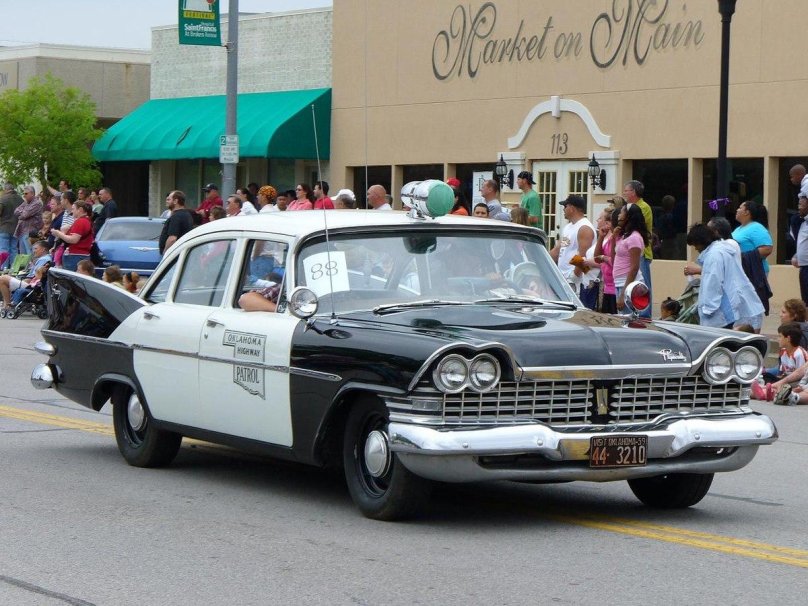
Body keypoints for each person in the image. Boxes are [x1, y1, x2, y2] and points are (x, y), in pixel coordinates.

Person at [685, 223, 764, 330]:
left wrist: (708, 309)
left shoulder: (714, 255)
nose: (695, 248)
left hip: (721, 312)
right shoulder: (723, 250)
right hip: (735, 307)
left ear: (701, 241)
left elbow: (713, 283)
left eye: (695, 244)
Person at [551, 195, 596, 306]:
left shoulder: (584, 228)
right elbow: (558, 249)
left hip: (576, 281)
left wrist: (574, 277)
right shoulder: (568, 227)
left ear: (572, 208)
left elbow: (583, 255)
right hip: (563, 277)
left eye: (565, 206)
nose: (563, 209)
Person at [623, 180, 653, 317]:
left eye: (626, 190)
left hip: (642, 252)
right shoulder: (630, 206)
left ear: (634, 192)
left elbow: (638, 225)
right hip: (631, 251)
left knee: (642, 287)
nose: (624, 193)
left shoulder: (643, 207)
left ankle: (645, 315)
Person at [611, 204, 647, 313]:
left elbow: (634, 268)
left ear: (628, 216)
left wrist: (623, 295)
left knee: (628, 322)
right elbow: (614, 259)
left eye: (622, 212)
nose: (618, 216)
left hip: (629, 286)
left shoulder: (634, 238)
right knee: (622, 320)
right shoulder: (624, 236)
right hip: (619, 283)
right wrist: (613, 238)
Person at [0, 240, 51, 310]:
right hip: (31, 283)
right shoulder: (45, 259)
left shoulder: (44, 259)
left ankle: (7, 305)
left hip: (31, 285)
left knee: (2, 279)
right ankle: (6, 304)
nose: (34, 251)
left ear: (43, 249)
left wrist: (19, 279)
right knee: (5, 279)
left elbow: (34, 277)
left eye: (36, 249)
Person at [51, 200, 94, 272]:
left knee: (70, 281)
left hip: (76, 256)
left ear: (80, 210)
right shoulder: (86, 220)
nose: (71, 211)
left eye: (73, 209)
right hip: (79, 256)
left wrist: (58, 233)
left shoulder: (81, 221)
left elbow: (74, 240)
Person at [593, 205, 617, 313]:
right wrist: (601, 237)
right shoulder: (606, 237)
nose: (607, 226)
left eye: (608, 223)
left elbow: (614, 261)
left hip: (615, 286)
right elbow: (596, 258)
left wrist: (604, 258)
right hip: (607, 286)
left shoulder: (616, 238)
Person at [159, 190, 195, 255]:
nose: (166, 202)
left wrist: (165, 253)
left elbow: (172, 238)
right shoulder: (187, 214)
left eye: (168, 199)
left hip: (175, 254)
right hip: (181, 253)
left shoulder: (176, 216)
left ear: (175, 201)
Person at [14, 186, 43, 255]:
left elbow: (25, 215)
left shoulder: (37, 203)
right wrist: (23, 212)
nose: (24, 195)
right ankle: (24, 266)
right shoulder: (26, 203)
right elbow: (15, 212)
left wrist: (22, 213)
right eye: (23, 193)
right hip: (22, 231)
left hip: (30, 233)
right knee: (22, 256)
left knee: (30, 254)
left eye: (26, 193)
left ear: (32, 194)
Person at [0, 182, 22, 270]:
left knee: (3, 249)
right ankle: (14, 270)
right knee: (14, 249)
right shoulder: (20, 199)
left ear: (6, 189)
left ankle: (3, 269)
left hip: (4, 228)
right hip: (16, 229)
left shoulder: (2, 199)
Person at [791, 193, 808, 306]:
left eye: (801, 205)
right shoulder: (800, 222)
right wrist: (797, 255)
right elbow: (801, 243)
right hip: (804, 267)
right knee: (805, 299)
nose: (799, 207)